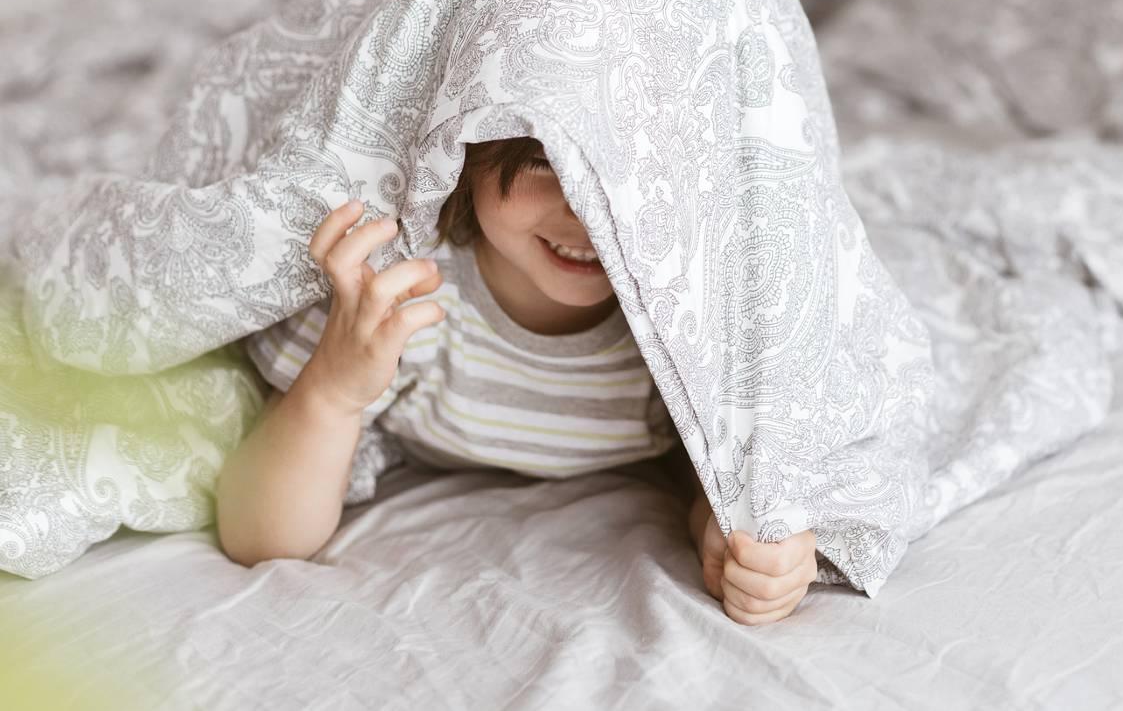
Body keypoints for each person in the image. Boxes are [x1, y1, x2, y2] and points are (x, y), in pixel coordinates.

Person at [215, 135, 819, 625]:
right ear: (465, 151)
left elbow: (712, 458)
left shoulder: (693, 307)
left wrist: (734, 530)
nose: (587, 209)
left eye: (634, 164)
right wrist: (335, 394)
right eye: (541, 161)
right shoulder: (401, 286)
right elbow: (260, 537)